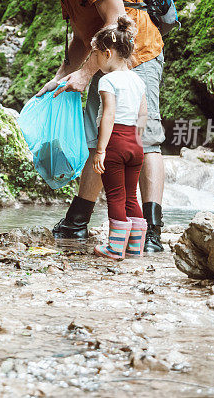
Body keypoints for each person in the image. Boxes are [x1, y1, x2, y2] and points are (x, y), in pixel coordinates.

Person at [21, 0, 167, 252]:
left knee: (145, 139)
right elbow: (79, 39)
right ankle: (77, 221)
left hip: (136, 57)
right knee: (98, 141)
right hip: (103, 64)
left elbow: (117, 22)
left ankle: (153, 232)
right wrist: (61, 77)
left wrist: (86, 74)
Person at [88, 16, 148, 259]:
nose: (95, 60)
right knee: (132, 195)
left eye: (96, 55)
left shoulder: (107, 80)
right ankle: (135, 248)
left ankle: (114, 248)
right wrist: (137, 140)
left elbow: (109, 115)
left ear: (108, 53)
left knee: (115, 195)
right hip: (135, 143)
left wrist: (101, 149)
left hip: (116, 142)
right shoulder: (138, 80)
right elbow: (143, 114)